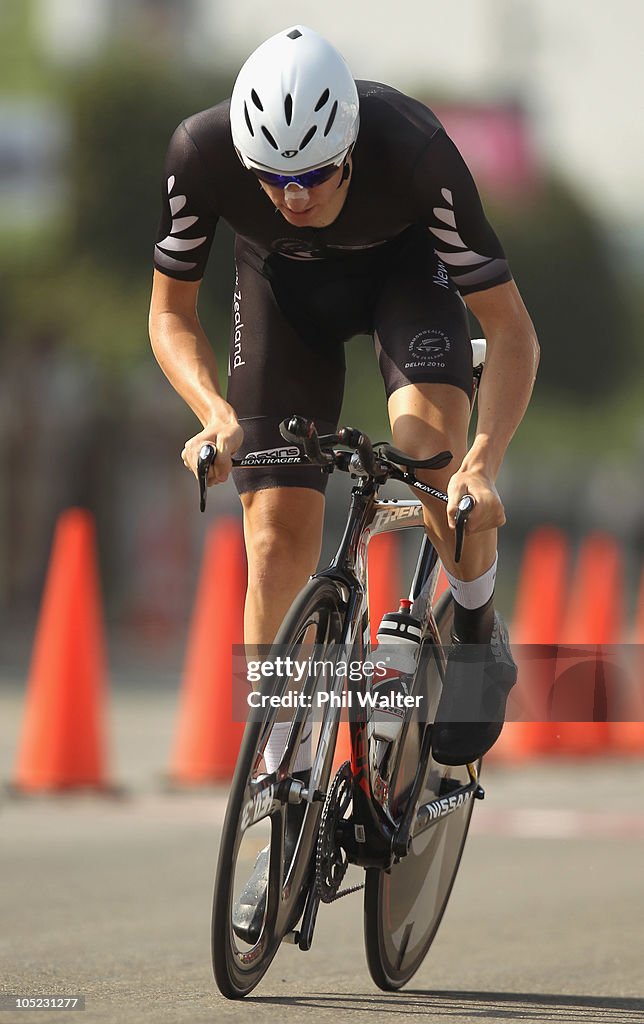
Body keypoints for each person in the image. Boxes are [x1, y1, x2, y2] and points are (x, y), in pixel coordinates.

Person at [149, 25, 539, 939]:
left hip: (408, 284)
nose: (292, 196)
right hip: (282, 305)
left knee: (430, 459)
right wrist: (211, 411)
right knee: (275, 536)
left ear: (351, 149)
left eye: (314, 177)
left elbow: (512, 333)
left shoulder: (417, 154)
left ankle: (475, 620)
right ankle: (280, 796)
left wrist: (486, 461)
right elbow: (170, 311)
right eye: (271, 180)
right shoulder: (200, 155)